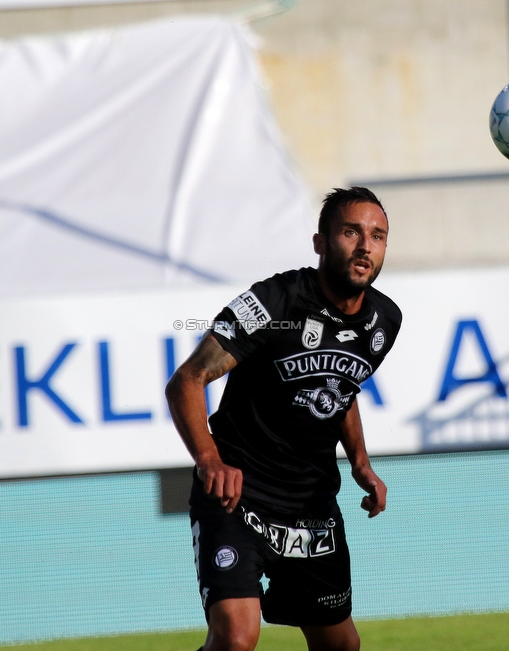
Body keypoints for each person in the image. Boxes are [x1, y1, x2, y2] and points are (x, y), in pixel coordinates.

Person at [166, 186, 401, 651]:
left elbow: (339, 390)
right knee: (235, 638)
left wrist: (360, 462)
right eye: (350, 232)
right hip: (237, 496)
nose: (364, 246)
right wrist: (209, 460)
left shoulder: (384, 321)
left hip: (311, 507)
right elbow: (188, 380)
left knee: (342, 647)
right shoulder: (275, 303)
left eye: (377, 236)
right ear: (320, 242)